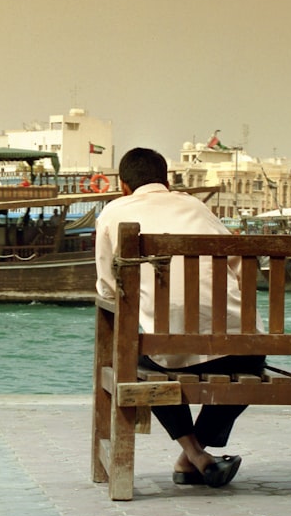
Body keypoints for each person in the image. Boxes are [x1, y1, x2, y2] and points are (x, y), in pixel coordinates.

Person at [95, 147, 266, 488]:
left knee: (140, 362)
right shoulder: (195, 207)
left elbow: (108, 288)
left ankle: (195, 455)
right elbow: (239, 264)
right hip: (242, 349)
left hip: (168, 353)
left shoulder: (113, 213)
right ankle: (195, 457)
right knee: (251, 371)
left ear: (122, 185)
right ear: (168, 180)